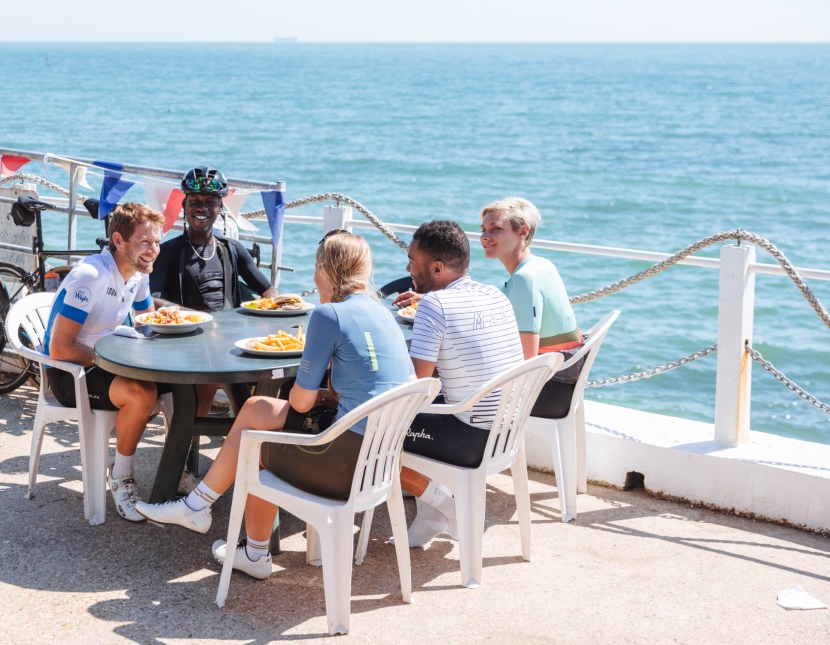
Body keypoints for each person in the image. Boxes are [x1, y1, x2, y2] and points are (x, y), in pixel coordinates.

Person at [134, 231, 414, 580]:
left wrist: (313, 387)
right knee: (255, 409)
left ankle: (241, 542)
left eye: (316, 267)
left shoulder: (329, 315)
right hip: (379, 460)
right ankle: (200, 509)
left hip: (343, 466)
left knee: (256, 445)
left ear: (326, 271)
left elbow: (299, 402)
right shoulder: (382, 312)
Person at [398, 220, 525, 546]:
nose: (408, 267)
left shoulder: (433, 305)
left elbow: (416, 387)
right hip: (507, 432)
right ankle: (430, 517)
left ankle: (446, 506)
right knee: (427, 408)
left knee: (373, 434)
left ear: (437, 267)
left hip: (471, 439)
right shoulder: (495, 294)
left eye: (413, 261)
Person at [43, 201, 166, 523]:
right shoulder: (91, 276)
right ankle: (122, 476)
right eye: (144, 243)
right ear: (118, 240)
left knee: (188, 387)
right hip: (69, 372)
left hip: (107, 363)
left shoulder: (138, 273)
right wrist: (115, 362)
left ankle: (174, 468)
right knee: (142, 394)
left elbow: (147, 321)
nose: (153, 250)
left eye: (157, 242)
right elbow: (61, 348)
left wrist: (179, 320)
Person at [150, 166, 278, 416]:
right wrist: (197, 318)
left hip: (230, 341)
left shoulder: (232, 249)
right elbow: (152, 300)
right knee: (215, 391)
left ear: (220, 208)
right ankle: (194, 440)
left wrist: (272, 311)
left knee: (272, 379)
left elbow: (268, 289)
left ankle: (250, 437)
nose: (202, 208)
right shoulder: (168, 252)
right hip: (188, 340)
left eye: (210, 202)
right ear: (184, 206)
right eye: (195, 201)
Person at [480, 197, 584, 418]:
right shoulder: (541, 265)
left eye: (496, 229)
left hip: (547, 389)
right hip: (563, 379)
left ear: (523, 232)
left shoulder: (523, 279)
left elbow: (526, 360)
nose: (485, 237)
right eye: (483, 229)